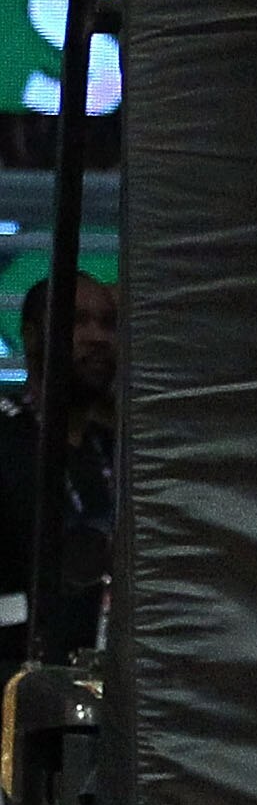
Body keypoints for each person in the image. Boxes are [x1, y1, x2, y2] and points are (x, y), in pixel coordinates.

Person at [1, 272, 119, 664]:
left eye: (108, 323)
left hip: (97, 695)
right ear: (33, 336)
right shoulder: (8, 438)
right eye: (77, 321)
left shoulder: (116, 449)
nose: (98, 337)